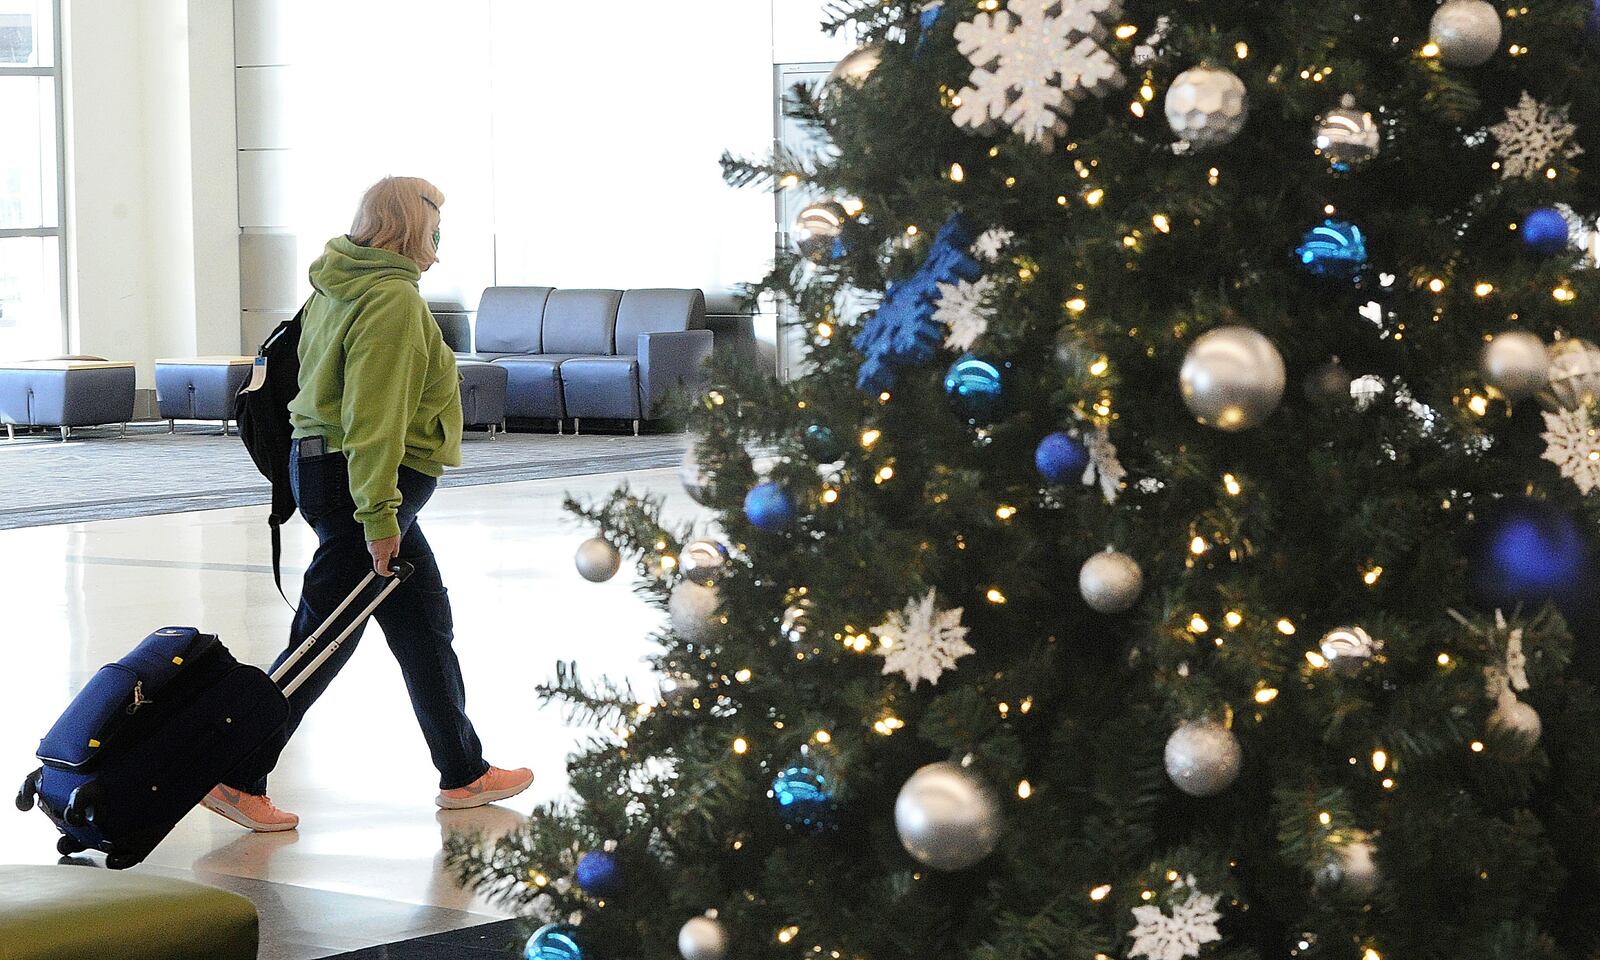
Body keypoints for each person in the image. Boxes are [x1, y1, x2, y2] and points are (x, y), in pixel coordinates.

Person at [203, 176, 531, 832]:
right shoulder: (391, 301)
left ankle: (463, 770)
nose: (440, 238)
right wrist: (379, 517)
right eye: (435, 223)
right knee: (323, 638)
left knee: (422, 623)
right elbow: (373, 417)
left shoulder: (339, 280)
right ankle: (238, 776)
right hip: (365, 482)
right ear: (415, 228)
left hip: (334, 471)